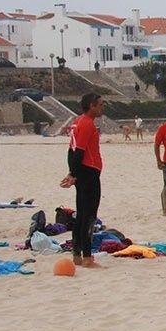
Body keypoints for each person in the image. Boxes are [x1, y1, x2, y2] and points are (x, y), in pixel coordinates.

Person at [60, 93, 105, 268]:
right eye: (100, 105)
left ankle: (77, 255)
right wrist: (73, 173)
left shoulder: (77, 122)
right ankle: (86, 257)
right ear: (91, 106)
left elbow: (71, 151)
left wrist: (73, 173)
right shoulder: (86, 124)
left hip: (83, 172)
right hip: (89, 172)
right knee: (89, 216)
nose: (102, 107)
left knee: (81, 214)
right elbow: (78, 152)